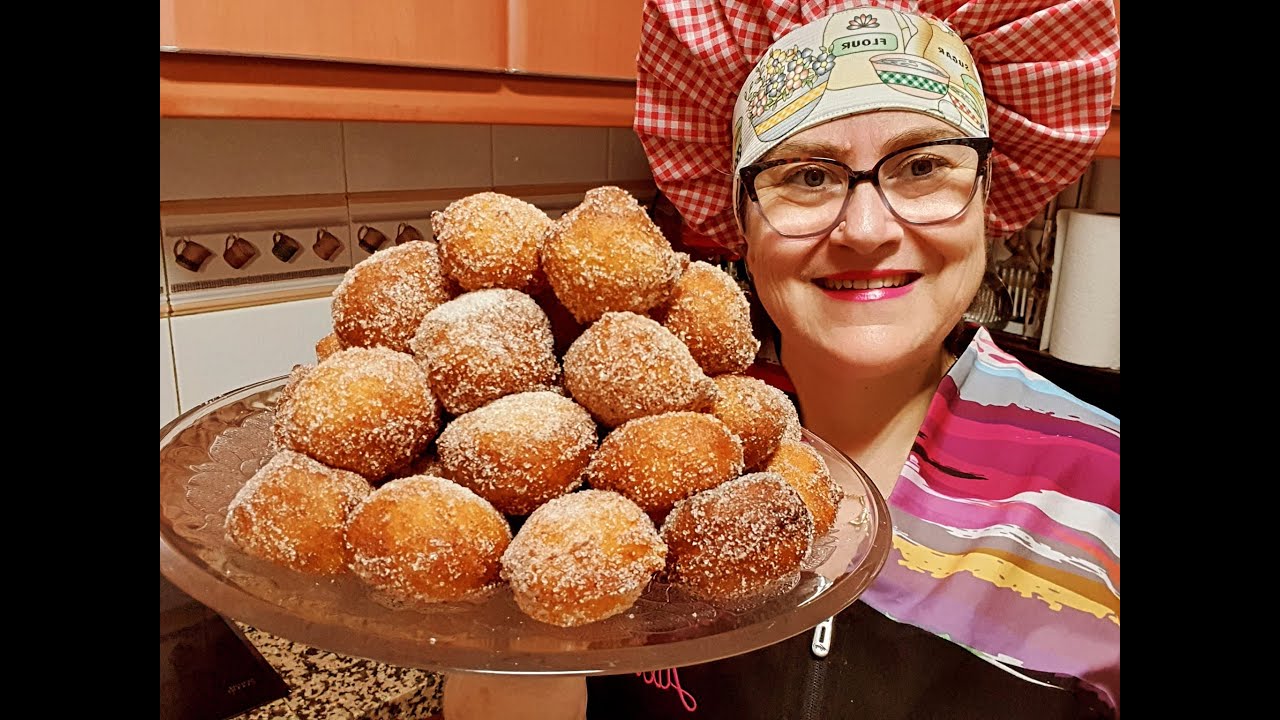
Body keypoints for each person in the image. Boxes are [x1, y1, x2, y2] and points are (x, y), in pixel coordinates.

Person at [579, 1, 1121, 718]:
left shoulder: (1106, 499)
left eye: (925, 164)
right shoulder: (642, 468)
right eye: (806, 175)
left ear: (989, 195)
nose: (865, 229)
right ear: (736, 216)